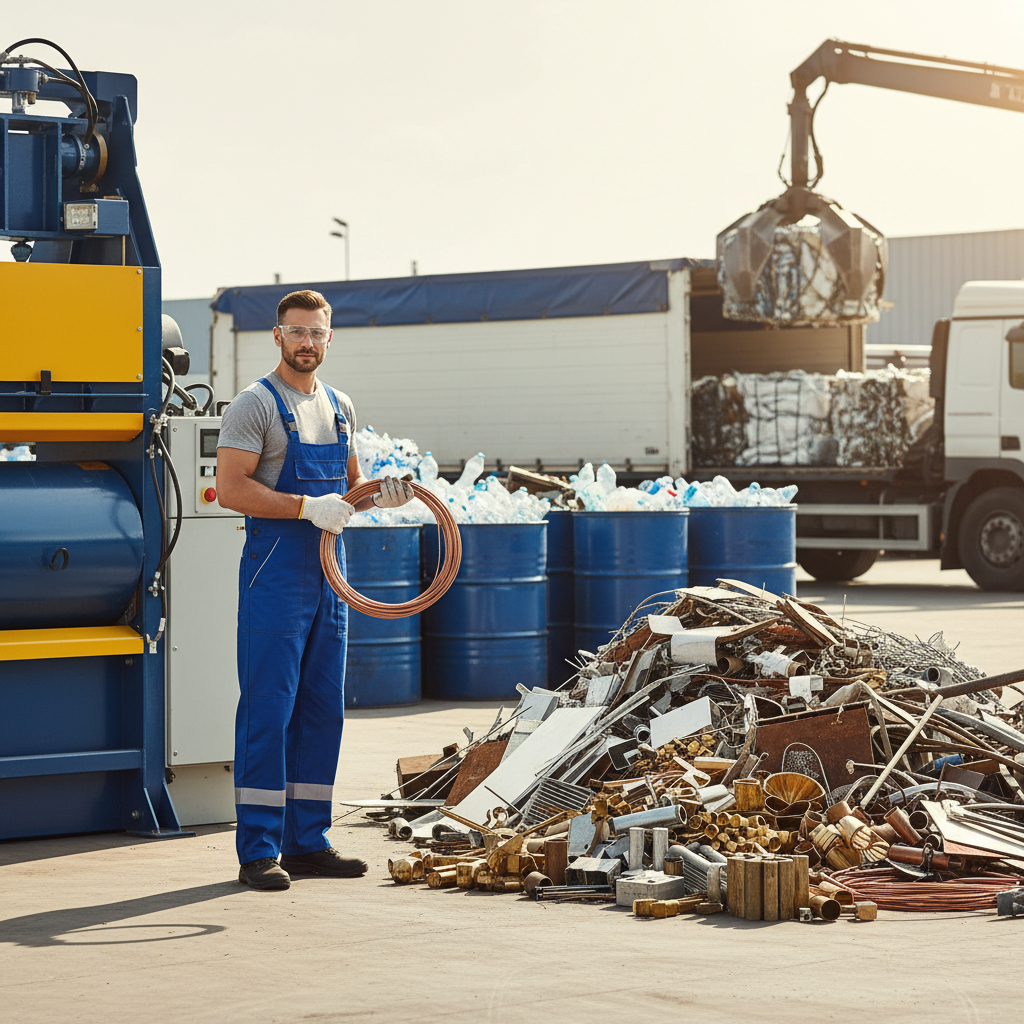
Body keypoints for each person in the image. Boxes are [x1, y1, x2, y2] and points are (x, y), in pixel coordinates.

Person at [217, 289, 414, 891]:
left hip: (329, 578)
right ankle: (258, 850)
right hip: (274, 576)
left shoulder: (340, 406)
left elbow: (350, 488)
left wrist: (383, 494)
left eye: (317, 333)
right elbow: (231, 488)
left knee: (323, 712)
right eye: (296, 332)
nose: (307, 342)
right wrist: (306, 505)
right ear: (277, 336)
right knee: (268, 712)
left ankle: (308, 842)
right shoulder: (255, 405)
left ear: (331, 339)